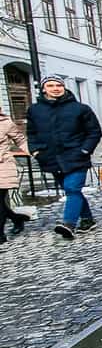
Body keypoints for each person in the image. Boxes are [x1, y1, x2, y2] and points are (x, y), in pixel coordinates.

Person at [25, 75, 102, 239]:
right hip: (50, 157)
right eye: (51, 85)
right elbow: (31, 134)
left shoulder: (80, 108)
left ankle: (69, 224)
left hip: (76, 156)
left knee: (72, 189)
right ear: (44, 89)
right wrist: (36, 151)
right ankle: (88, 220)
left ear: (64, 87)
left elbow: (94, 132)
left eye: (58, 85)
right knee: (72, 191)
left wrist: (85, 150)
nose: (55, 88)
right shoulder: (35, 110)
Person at [0, 103, 29, 243]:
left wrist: (34, 153)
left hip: (2, 166)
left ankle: (0, 236)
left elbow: (20, 140)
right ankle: (16, 218)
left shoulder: (5, 122)